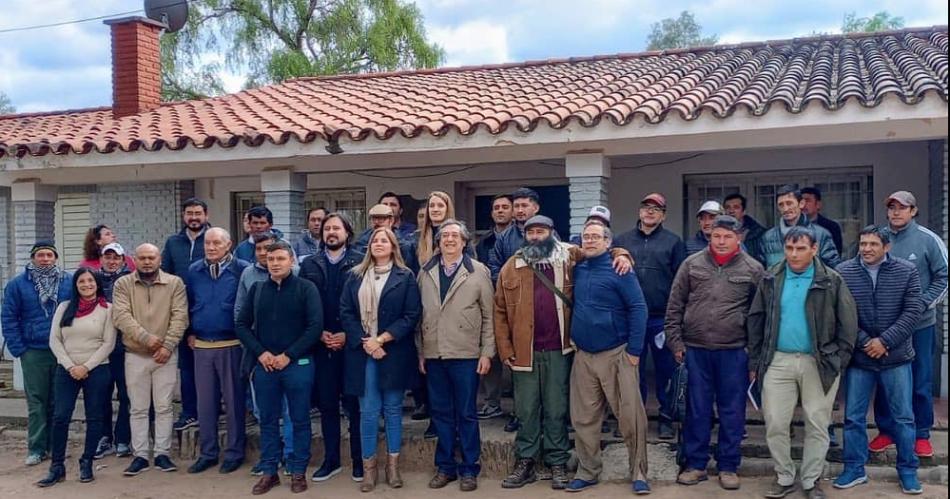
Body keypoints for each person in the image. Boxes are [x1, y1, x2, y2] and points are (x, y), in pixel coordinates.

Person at [494, 215, 632, 490]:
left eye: (541, 231)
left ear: (552, 233)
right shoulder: (512, 265)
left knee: (557, 408)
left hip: (560, 349)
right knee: (526, 409)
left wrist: (623, 254)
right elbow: (499, 310)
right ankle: (526, 461)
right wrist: (505, 348)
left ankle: (557, 461)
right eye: (530, 232)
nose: (535, 236)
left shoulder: (570, 256)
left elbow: (603, 249)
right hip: (524, 352)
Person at [747, 226, 858, 499]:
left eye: (800, 249)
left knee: (817, 423)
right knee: (774, 422)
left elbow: (848, 324)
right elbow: (756, 319)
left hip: (818, 361)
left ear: (814, 249)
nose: (794, 254)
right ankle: (784, 477)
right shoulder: (771, 277)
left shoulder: (831, 280)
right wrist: (757, 359)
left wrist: (838, 360)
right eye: (789, 248)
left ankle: (810, 481)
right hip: (778, 360)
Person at [666, 215, 765, 490]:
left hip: (734, 353)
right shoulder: (691, 264)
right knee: (697, 411)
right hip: (695, 351)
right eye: (716, 236)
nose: (721, 241)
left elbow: (761, 317)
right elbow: (674, 306)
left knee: (732, 412)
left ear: (739, 238)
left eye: (727, 236)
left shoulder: (753, 269)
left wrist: (754, 357)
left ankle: (728, 466)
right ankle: (696, 464)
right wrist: (676, 343)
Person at [834, 225, 925, 495]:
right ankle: (853, 468)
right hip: (860, 359)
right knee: (853, 417)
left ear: (887, 247)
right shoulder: (845, 271)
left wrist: (884, 341)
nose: (867, 249)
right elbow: (841, 314)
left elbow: (913, 311)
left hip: (896, 357)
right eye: (863, 243)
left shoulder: (906, 271)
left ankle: (908, 470)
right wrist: (864, 342)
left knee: (904, 418)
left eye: (873, 244)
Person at [567, 221, 650, 494]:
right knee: (584, 418)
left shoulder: (620, 269)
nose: (589, 241)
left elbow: (638, 308)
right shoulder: (577, 269)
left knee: (630, 417)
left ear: (607, 242)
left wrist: (635, 351)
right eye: (585, 237)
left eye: (595, 237)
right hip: (583, 356)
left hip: (617, 353)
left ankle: (638, 472)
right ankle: (588, 471)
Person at [235, 241, 323, 495]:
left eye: (280, 258)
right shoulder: (257, 290)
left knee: (299, 419)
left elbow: (315, 326)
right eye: (270, 258)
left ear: (292, 261)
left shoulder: (306, 289)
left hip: (298, 364)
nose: (274, 263)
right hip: (265, 366)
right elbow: (241, 324)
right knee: (268, 420)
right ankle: (269, 471)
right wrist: (260, 353)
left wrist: (288, 355)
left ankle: (298, 471)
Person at [340, 227, 422, 492]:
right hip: (363, 353)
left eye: (384, 240)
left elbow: (411, 315)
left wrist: (382, 339)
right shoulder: (354, 276)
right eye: (375, 240)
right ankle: (369, 470)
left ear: (394, 246)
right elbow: (346, 311)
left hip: (393, 351)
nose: (378, 244)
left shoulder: (406, 276)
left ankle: (393, 468)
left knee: (393, 411)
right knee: (368, 413)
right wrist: (367, 342)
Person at [417, 220, 495, 492]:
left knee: (466, 413)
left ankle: (470, 468)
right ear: (438, 242)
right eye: (445, 236)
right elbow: (419, 317)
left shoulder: (478, 271)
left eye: (455, 236)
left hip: (466, 354)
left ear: (464, 242)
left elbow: (489, 316)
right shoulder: (425, 272)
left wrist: (487, 352)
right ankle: (446, 467)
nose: (449, 240)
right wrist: (421, 353)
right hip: (434, 353)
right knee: (441, 414)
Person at [870, 191, 948, 458]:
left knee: (919, 379)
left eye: (902, 208)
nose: (896, 212)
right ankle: (887, 430)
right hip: (887, 327)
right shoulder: (879, 239)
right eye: (891, 207)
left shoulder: (928, 240)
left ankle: (921, 433)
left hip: (920, 326)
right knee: (885, 379)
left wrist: (921, 304)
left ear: (913, 211)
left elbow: (944, 276)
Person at [613, 192, 686, 440]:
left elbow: (681, 282)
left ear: (663, 214)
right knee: (631, 371)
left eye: (656, 209)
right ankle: (634, 417)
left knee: (665, 370)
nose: (650, 212)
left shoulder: (674, 242)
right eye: (646, 207)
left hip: (660, 318)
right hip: (630, 319)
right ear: (639, 212)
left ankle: (666, 418)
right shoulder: (621, 241)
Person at [112, 243, 189, 477]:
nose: (147, 261)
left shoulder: (174, 283)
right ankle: (141, 455)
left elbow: (180, 316)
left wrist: (167, 345)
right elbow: (121, 316)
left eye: (151, 257)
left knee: (165, 407)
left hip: (166, 355)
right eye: (142, 257)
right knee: (138, 408)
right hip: (135, 354)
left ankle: (163, 453)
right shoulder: (123, 284)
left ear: (160, 259)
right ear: (134, 260)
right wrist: (147, 339)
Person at [299, 213, 365, 483]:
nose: (331, 233)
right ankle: (331, 460)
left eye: (336, 228)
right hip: (322, 344)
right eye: (327, 229)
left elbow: (367, 304)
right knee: (327, 405)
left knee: (354, 406)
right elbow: (303, 303)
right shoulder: (310, 264)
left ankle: (360, 460)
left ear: (348, 232)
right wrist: (319, 334)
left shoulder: (361, 261)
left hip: (351, 345)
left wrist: (349, 335)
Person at [37, 269, 116, 487]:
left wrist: (86, 366)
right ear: (76, 285)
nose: (87, 284)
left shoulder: (108, 310)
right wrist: (71, 366)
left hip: (97, 369)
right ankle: (57, 466)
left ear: (97, 284)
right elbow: (54, 340)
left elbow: (108, 343)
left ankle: (87, 461)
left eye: (91, 280)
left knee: (95, 417)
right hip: (67, 369)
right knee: (61, 416)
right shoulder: (64, 307)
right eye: (82, 281)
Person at [184, 228, 251, 475]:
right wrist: (189, 331)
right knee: (205, 404)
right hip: (201, 345)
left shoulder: (242, 269)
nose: (210, 247)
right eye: (207, 243)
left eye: (216, 243)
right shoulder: (194, 270)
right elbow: (188, 303)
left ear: (229, 244)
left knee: (234, 402)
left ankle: (234, 452)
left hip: (231, 344)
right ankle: (208, 452)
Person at [1, 241, 73, 466]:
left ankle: (55, 446)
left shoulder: (68, 281)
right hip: (34, 350)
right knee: (37, 400)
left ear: (56, 258)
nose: (45, 259)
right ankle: (36, 447)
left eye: (49, 255)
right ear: (33, 258)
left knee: (57, 400)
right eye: (40, 255)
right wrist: (18, 349)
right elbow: (9, 317)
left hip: (62, 349)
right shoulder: (17, 285)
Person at [234, 231, 297, 476]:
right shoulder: (249, 276)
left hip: (290, 357)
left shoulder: (297, 277)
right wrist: (257, 351)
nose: (267, 256)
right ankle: (271, 457)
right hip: (260, 355)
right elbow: (240, 315)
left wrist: (289, 353)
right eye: (260, 250)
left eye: (271, 251)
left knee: (291, 411)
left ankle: (291, 456)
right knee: (264, 412)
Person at [161, 198, 211, 433]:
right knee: (188, 366)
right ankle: (190, 412)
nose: (194, 217)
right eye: (189, 213)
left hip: (208, 311)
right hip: (181, 312)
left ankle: (212, 409)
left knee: (213, 366)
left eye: (198, 213)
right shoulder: (173, 243)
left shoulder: (214, 240)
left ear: (206, 215)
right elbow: (165, 276)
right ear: (183, 216)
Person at [474, 194, 514, 421]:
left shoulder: (521, 237)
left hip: (517, 304)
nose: (500, 211)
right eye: (496, 208)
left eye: (504, 207)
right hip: (491, 302)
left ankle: (520, 405)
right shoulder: (483, 243)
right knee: (491, 352)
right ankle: (492, 402)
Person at [93, 243, 134, 460]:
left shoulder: (131, 281)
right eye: (107, 257)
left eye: (116, 257)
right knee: (100, 395)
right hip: (99, 349)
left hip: (124, 347)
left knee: (127, 395)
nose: (112, 261)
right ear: (101, 259)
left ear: (122, 260)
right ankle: (104, 438)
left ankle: (123, 439)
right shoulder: (92, 280)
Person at [758, 185, 839, 268]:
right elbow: (763, 272)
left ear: (801, 203)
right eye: (781, 205)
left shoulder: (821, 235)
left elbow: (832, 269)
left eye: (789, 203)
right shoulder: (767, 238)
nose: (785, 209)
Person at [488, 187, 541, 282]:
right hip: (514, 292)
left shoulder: (549, 234)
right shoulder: (504, 237)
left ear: (536, 208)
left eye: (524, 206)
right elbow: (494, 268)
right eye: (516, 206)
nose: (520, 210)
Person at [724, 193, 767, 262]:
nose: (731, 211)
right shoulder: (718, 232)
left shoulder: (758, 232)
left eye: (736, 207)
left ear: (743, 211)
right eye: (728, 207)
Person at [801, 187, 844, 254]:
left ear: (818, 205)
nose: (803, 205)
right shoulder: (792, 226)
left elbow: (836, 254)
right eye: (801, 201)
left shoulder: (831, 227)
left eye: (807, 201)